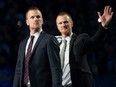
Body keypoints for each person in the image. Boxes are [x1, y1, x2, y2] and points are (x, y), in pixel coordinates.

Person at [56, 6, 113, 87]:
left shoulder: (80, 39)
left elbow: (95, 40)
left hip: (80, 83)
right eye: (60, 23)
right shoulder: (54, 43)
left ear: (72, 23)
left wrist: (103, 26)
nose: (63, 25)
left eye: (66, 22)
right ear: (57, 26)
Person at [13, 7, 62, 87]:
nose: (36, 19)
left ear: (42, 20)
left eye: (38, 17)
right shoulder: (22, 44)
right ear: (27, 22)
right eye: (32, 17)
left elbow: (55, 69)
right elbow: (19, 69)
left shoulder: (49, 40)